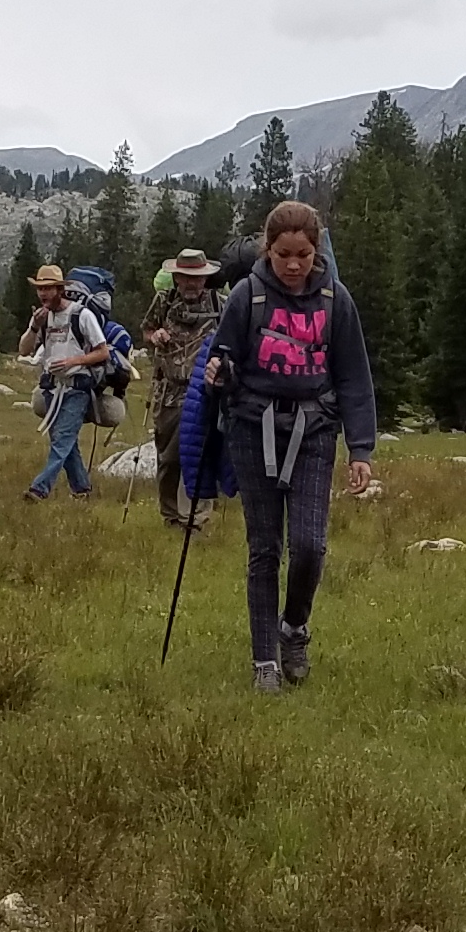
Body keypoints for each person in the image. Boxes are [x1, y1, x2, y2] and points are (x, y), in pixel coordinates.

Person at [192, 199, 377, 692]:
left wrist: (361, 450)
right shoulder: (246, 297)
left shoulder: (336, 300)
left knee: (311, 546)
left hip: (315, 432)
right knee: (265, 548)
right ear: (267, 249)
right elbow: (224, 360)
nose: (294, 265)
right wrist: (219, 374)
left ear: (316, 251)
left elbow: (354, 375)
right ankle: (264, 662)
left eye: (303, 254)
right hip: (253, 430)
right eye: (283, 254)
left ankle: (293, 627)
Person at [138, 248, 224, 528]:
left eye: (196, 278)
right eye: (185, 277)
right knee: (168, 457)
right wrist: (156, 336)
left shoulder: (220, 304)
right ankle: (170, 515)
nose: (191, 283)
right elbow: (147, 330)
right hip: (169, 391)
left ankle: (196, 519)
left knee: (201, 453)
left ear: (205, 279)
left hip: (204, 392)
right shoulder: (164, 301)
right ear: (176, 277)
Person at [15, 264, 116, 501]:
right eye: (40, 288)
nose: (43, 293)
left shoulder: (82, 315)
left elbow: (103, 352)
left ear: (61, 289)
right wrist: (33, 327)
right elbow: (24, 350)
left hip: (77, 387)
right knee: (67, 444)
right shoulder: (42, 317)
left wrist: (74, 361)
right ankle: (82, 490)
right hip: (52, 388)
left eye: (48, 288)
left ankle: (39, 489)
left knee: (61, 442)